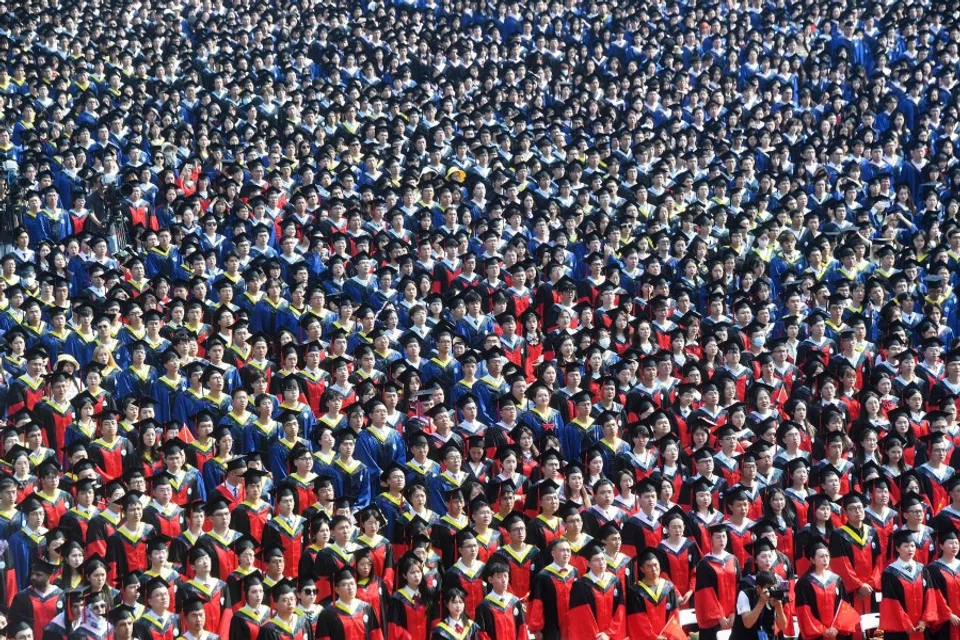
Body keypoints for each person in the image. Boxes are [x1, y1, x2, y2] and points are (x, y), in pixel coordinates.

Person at [880, 529, 938, 640]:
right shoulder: (890, 573)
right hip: (900, 629)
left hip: (921, 626)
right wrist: (905, 623)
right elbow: (890, 604)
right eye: (906, 546)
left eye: (912, 546)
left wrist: (925, 620)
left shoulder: (922, 569)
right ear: (897, 549)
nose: (910, 549)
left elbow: (930, 595)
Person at [695, 523, 741, 640]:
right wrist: (720, 617)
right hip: (713, 620)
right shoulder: (704, 564)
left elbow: (739, 587)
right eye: (718, 537)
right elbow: (706, 594)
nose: (722, 540)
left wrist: (734, 612)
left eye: (724, 536)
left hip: (733, 616)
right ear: (710, 539)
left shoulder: (733, 559)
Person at [314, 568, 382, 640]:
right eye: (345, 584)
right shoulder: (327, 614)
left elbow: (376, 635)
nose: (350, 588)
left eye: (352, 583)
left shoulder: (366, 608)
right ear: (336, 589)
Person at [625, 550, 680, 640]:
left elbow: (674, 615)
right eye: (649, 566)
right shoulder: (635, 591)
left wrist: (668, 636)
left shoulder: (668, 587)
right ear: (642, 569)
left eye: (655, 565)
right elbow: (637, 621)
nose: (654, 569)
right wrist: (654, 637)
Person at [474, 561, 527, 640]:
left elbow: (522, 629)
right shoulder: (483, 606)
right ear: (490, 579)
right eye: (499, 577)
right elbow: (482, 635)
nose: (504, 580)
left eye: (506, 576)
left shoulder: (515, 602)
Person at [732, 569, 789, 640]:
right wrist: (761, 602)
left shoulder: (774, 598)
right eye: (769, 588)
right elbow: (748, 624)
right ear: (758, 588)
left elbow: (783, 627)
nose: (772, 590)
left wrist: (779, 609)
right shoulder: (745, 594)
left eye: (774, 588)